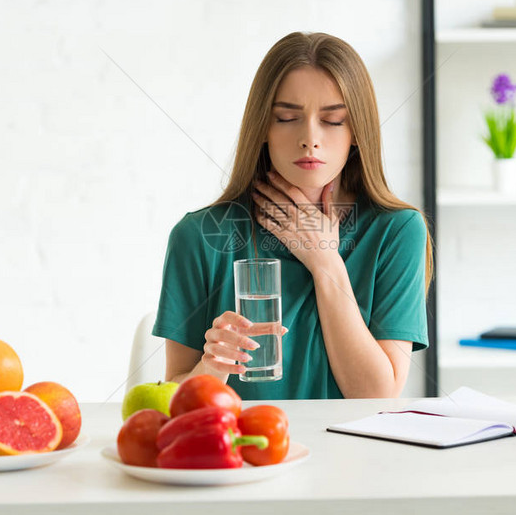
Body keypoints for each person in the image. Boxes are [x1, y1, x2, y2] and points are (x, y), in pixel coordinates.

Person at [152, 31, 433, 399]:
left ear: (357, 132)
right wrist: (212, 367)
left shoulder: (396, 231)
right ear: (263, 128)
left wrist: (325, 262)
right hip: (244, 453)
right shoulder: (199, 235)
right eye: (287, 117)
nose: (310, 138)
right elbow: (174, 396)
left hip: (351, 456)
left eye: (333, 120)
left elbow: (377, 397)